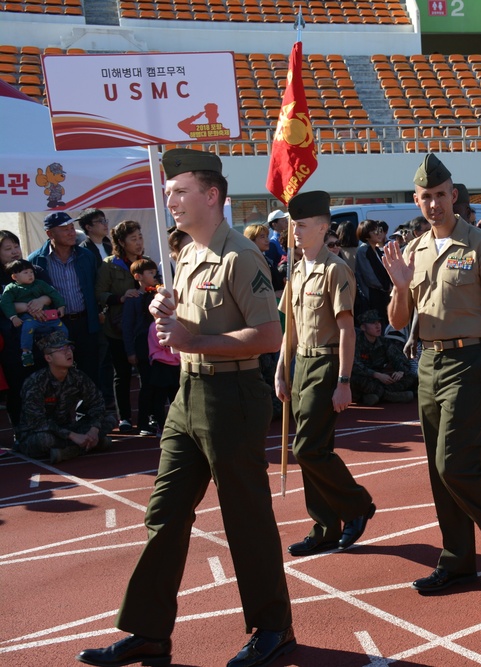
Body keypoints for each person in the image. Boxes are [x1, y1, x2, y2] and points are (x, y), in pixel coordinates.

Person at [77, 148, 294, 667]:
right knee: (164, 515)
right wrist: (166, 310)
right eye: (169, 191)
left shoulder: (240, 255)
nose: (169, 200)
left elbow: (268, 335)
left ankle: (273, 627)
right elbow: (187, 327)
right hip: (188, 397)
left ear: (211, 195)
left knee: (246, 518)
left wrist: (193, 339)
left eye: (180, 191)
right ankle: (149, 631)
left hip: (232, 397)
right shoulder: (188, 253)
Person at [382, 154, 481, 593]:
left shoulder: (480, 246)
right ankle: (457, 560)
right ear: (417, 200)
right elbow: (399, 319)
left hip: (470, 360)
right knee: (438, 470)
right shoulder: (415, 249)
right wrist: (402, 285)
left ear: (453, 195)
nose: (433, 204)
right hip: (429, 362)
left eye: (440, 195)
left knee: (452, 465)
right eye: (425, 197)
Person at [273, 190, 377, 558]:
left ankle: (357, 504)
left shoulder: (335, 269)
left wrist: (345, 381)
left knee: (306, 449)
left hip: (327, 364)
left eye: (301, 225)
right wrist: (281, 371)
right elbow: (292, 329)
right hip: (302, 363)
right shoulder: (296, 271)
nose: (294, 231)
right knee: (315, 449)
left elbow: (346, 327)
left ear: (322, 227)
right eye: (292, 225)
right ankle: (325, 527)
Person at [14, 330, 116, 464]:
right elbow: (37, 422)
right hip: (38, 432)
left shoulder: (77, 377)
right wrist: (73, 436)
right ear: (48, 358)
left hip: (67, 429)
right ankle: (85, 446)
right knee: (44, 440)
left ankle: (73, 448)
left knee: (110, 418)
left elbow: (97, 403)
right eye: (61, 349)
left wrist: (93, 430)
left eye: (69, 348)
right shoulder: (36, 382)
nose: (68, 352)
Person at [28, 211, 101, 385]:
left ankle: (89, 412)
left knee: (89, 373)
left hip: (85, 323)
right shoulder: (37, 260)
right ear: (50, 234)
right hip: (54, 326)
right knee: (58, 376)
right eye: (64, 229)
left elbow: (96, 286)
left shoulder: (86, 255)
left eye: (71, 228)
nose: (71, 232)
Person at [96, 220, 148, 432]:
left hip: (144, 329)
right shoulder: (109, 264)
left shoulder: (147, 262)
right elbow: (99, 294)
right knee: (122, 374)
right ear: (121, 242)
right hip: (117, 329)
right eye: (133, 239)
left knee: (147, 374)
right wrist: (120, 297)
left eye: (140, 238)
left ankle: (149, 416)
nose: (138, 243)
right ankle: (125, 417)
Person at [0, 230, 51, 428]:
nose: (14, 252)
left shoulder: (35, 270)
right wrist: (32, 304)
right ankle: (21, 432)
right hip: (13, 342)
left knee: (45, 384)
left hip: (41, 337)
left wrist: (41, 300)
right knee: (17, 388)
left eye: (16, 246)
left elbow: (51, 295)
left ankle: (48, 428)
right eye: (8, 248)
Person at [121, 258, 160, 436]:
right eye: (150, 273)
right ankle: (143, 422)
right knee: (147, 384)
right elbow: (127, 327)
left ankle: (158, 419)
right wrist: (130, 351)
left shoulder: (158, 293)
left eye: (154, 272)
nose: (155, 275)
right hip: (143, 344)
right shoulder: (133, 298)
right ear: (138, 276)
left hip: (160, 345)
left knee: (162, 383)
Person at [1, 259, 65, 366]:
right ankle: (26, 352)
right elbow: (5, 303)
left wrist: (61, 306)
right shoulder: (11, 288)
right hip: (29, 318)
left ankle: (64, 349)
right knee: (27, 328)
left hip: (47, 316)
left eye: (31, 272)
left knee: (62, 327)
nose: (30, 275)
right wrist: (13, 317)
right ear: (15, 277)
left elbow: (53, 293)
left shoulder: (40, 283)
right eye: (25, 273)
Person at [351, 309, 417, 406]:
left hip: (380, 380)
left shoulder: (384, 342)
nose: (378, 326)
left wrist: (400, 371)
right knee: (354, 379)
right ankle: (388, 396)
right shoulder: (355, 342)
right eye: (373, 323)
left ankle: (372, 397)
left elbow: (399, 359)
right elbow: (355, 366)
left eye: (378, 322)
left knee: (410, 376)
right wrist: (376, 374)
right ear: (363, 327)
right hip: (365, 377)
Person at [355, 219, 393, 324]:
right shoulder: (363, 251)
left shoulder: (375, 250)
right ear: (366, 236)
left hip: (382, 295)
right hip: (372, 297)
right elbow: (370, 277)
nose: (378, 233)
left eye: (379, 229)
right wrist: (386, 286)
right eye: (374, 231)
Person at [244, 223, 285, 292]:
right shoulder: (249, 262)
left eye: (267, 236)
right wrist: (274, 294)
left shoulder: (263, 258)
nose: (267, 240)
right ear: (251, 240)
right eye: (262, 237)